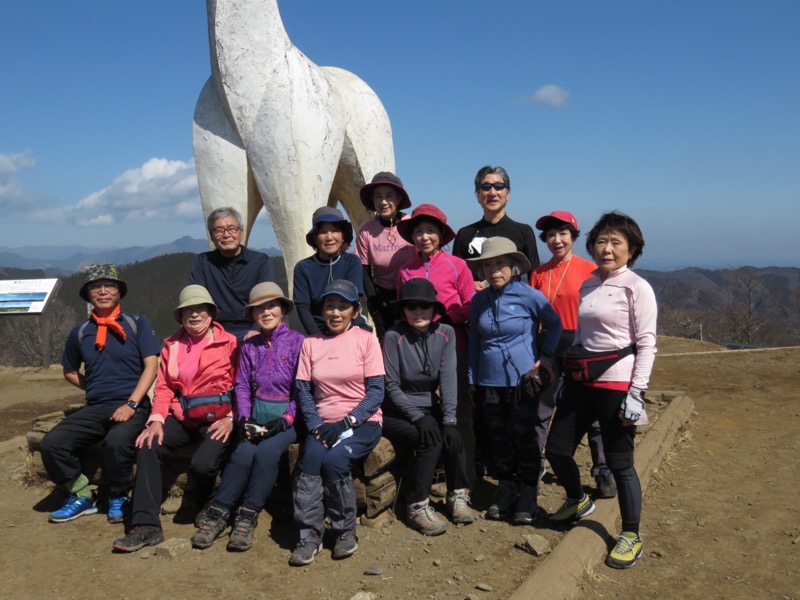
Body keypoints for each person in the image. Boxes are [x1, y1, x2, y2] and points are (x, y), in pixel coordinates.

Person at [545, 211, 657, 570]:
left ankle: (631, 534)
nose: (606, 249)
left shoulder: (637, 287)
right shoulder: (589, 284)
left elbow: (647, 344)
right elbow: (581, 332)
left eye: (616, 242)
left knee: (621, 464)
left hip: (617, 384)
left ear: (632, 249)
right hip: (582, 381)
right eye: (601, 242)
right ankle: (578, 499)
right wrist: (571, 364)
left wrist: (636, 392)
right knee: (558, 449)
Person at [112, 285, 238, 552]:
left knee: (203, 465)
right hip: (182, 416)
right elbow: (165, 387)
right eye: (188, 311)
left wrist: (233, 417)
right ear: (180, 317)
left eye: (200, 309)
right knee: (147, 445)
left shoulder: (230, 343)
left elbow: (243, 384)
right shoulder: (172, 344)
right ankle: (146, 525)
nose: (194, 315)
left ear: (210, 313)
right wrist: (156, 419)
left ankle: (207, 502)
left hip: (219, 417)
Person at [40, 264, 160, 524]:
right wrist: (93, 386)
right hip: (95, 406)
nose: (103, 291)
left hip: (134, 405)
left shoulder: (137, 323)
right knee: (52, 443)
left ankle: (118, 494)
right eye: (96, 287)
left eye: (110, 286)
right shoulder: (80, 331)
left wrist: (131, 403)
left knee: (116, 443)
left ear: (119, 292)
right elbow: (69, 371)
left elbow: (152, 365)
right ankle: (81, 493)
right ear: (87, 293)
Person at [191, 282, 304, 552]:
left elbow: (303, 388)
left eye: (271, 306)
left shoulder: (299, 343)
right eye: (259, 309)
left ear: (282, 309)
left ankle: (247, 515)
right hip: (255, 415)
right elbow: (242, 385)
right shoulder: (249, 346)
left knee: (266, 454)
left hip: (287, 419)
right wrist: (242, 418)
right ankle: (219, 513)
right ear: (253, 315)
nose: (266, 312)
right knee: (242, 455)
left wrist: (287, 420)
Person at [289, 280, 384, 566]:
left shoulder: (366, 340)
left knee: (335, 461)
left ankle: (344, 531)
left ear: (355, 311)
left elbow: (377, 390)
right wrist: (317, 425)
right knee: (310, 462)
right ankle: (309, 536)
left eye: (343, 306)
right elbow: (304, 391)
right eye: (330, 306)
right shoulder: (311, 344)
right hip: (323, 424)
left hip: (362, 422)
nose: (335, 312)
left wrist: (347, 423)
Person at [468, 237, 562, 524]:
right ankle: (506, 487)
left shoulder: (528, 295)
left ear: (513, 265)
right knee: (498, 438)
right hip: (488, 380)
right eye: (488, 264)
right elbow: (474, 340)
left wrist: (544, 357)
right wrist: (472, 377)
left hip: (523, 380)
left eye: (500, 263)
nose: (494, 270)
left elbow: (555, 323)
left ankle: (528, 491)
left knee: (525, 437)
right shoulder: (478, 300)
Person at [530, 211, 617, 498]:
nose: (557, 240)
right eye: (551, 235)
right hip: (548, 345)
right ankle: (536, 463)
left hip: (581, 344)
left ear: (574, 237)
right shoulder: (539, 273)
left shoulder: (590, 270)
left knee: (591, 411)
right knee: (542, 408)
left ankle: (602, 469)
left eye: (563, 233)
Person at [382, 278, 473, 536]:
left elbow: (448, 379)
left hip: (428, 405)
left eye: (425, 306)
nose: (418, 312)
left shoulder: (445, 333)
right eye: (411, 306)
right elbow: (391, 386)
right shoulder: (393, 336)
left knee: (454, 437)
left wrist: (450, 420)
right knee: (429, 438)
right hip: (395, 410)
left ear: (435, 309)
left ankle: (457, 494)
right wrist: (418, 418)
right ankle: (416, 504)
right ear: (403, 310)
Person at [396, 204, 476, 483]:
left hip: (454, 342)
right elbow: (402, 308)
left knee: (458, 408)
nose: (424, 237)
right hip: (415, 348)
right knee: (423, 403)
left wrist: (444, 319)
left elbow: (470, 305)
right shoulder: (406, 269)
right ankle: (429, 467)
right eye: (418, 231)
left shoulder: (458, 265)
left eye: (430, 230)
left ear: (441, 234)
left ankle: (465, 476)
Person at [189, 206, 275, 341]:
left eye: (232, 229)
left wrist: (255, 330)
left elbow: (266, 300)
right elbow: (195, 298)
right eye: (219, 230)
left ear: (241, 233)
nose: (226, 235)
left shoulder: (260, 261)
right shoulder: (203, 262)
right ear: (211, 236)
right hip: (214, 329)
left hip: (251, 328)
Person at [452, 165, 540, 290]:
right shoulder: (465, 234)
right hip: (476, 305)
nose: (492, 193)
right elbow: (456, 275)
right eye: (486, 187)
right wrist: (470, 285)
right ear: (478, 196)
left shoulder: (524, 232)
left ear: (508, 194)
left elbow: (534, 278)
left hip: (513, 305)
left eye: (499, 186)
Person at [356, 171, 417, 339]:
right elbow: (364, 269)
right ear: (372, 201)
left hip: (412, 294)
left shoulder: (411, 224)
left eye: (389, 196)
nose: (383, 202)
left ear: (398, 199)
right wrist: (375, 309)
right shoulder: (366, 230)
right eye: (378, 197)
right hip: (382, 298)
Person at [293, 206, 366, 335]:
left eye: (335, 231)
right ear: (315, 238)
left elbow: (354, 301)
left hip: (348, 325)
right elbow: (302, 307)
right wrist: (316, 336)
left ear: (343, 236)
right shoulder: (303, 267)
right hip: (316, 328)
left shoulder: (352, 262)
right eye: (323, 232)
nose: (329, 237)